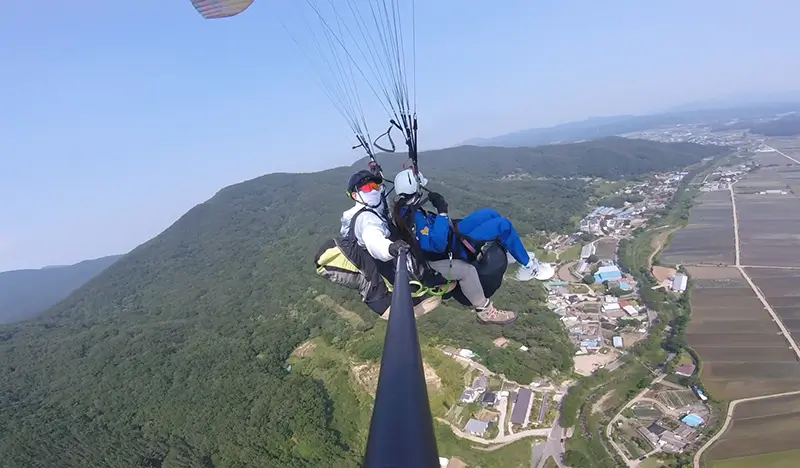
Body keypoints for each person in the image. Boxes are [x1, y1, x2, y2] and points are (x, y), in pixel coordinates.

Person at [391, 169, 545, 325]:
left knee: (489, 214)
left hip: (448, 237)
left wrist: (442, 217)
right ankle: (487, 310)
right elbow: (438, 245)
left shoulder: (409, 208)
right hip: (439, 256)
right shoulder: (412, 218)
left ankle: (513, 251)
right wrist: (442, 213)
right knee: (497, 233)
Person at [339, 169, 441, 319]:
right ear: (355, 195)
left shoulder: (368, 210)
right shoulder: (366, 219)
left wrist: (378, 174)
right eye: (368, 188)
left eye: (376, 187)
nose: (374, 190)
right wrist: (389, 248)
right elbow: (374, 239)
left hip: (378, 292)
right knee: (436, 299)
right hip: (386, 296)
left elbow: (382, 204)